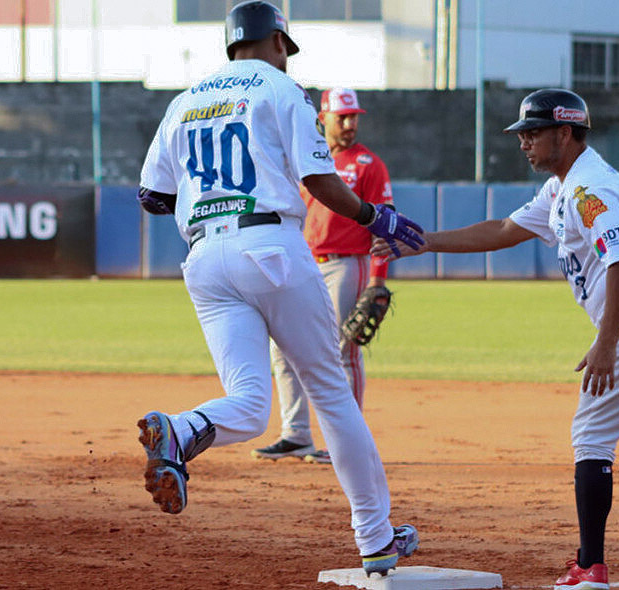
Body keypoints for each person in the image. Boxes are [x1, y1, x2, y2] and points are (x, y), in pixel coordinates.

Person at [373, 89, 619, 590]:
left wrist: (607, 341)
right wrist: (426, 242)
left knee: (591, 435)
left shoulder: (587, 190)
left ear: (566, 133)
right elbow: (506, 228)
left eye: (533, 133)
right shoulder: (563, 187)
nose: (523, 142)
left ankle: (589, 567)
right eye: (522, 134)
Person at [135, 1, 422, 577]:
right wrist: (376, 218)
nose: (285, 58)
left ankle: (183, 428)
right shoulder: (281, 89)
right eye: (284, 49)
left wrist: (210, 195)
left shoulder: (184, 100)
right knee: (332, 395)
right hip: (271, 246)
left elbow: (152, 196)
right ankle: (375, 537)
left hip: (205, 261)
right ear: (274, 43)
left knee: (248, 401)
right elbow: (319, 179)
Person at [251, 87, 394, 465]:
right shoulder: (301, 160)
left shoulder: (367, 164)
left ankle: (349, 442)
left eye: (354, 117)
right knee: (281, 347)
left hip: (347, 264)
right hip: (301, 263)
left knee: (342, 349)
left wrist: (378, 279)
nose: (350, 124)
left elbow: (383, 222)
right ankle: (296, 434)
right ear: (322, 120)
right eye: (342, 117)